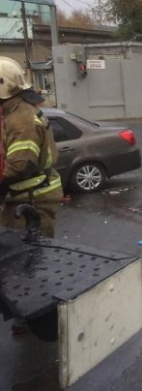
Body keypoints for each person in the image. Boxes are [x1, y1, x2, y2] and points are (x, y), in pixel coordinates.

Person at [0, 57, 63, 335]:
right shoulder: (20, 110)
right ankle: (31, 315)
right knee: (28, 257)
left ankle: (37, 319)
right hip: (30, 196)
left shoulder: (19, 118)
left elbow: (20, 164)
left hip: (32, 199)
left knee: (29, 259)